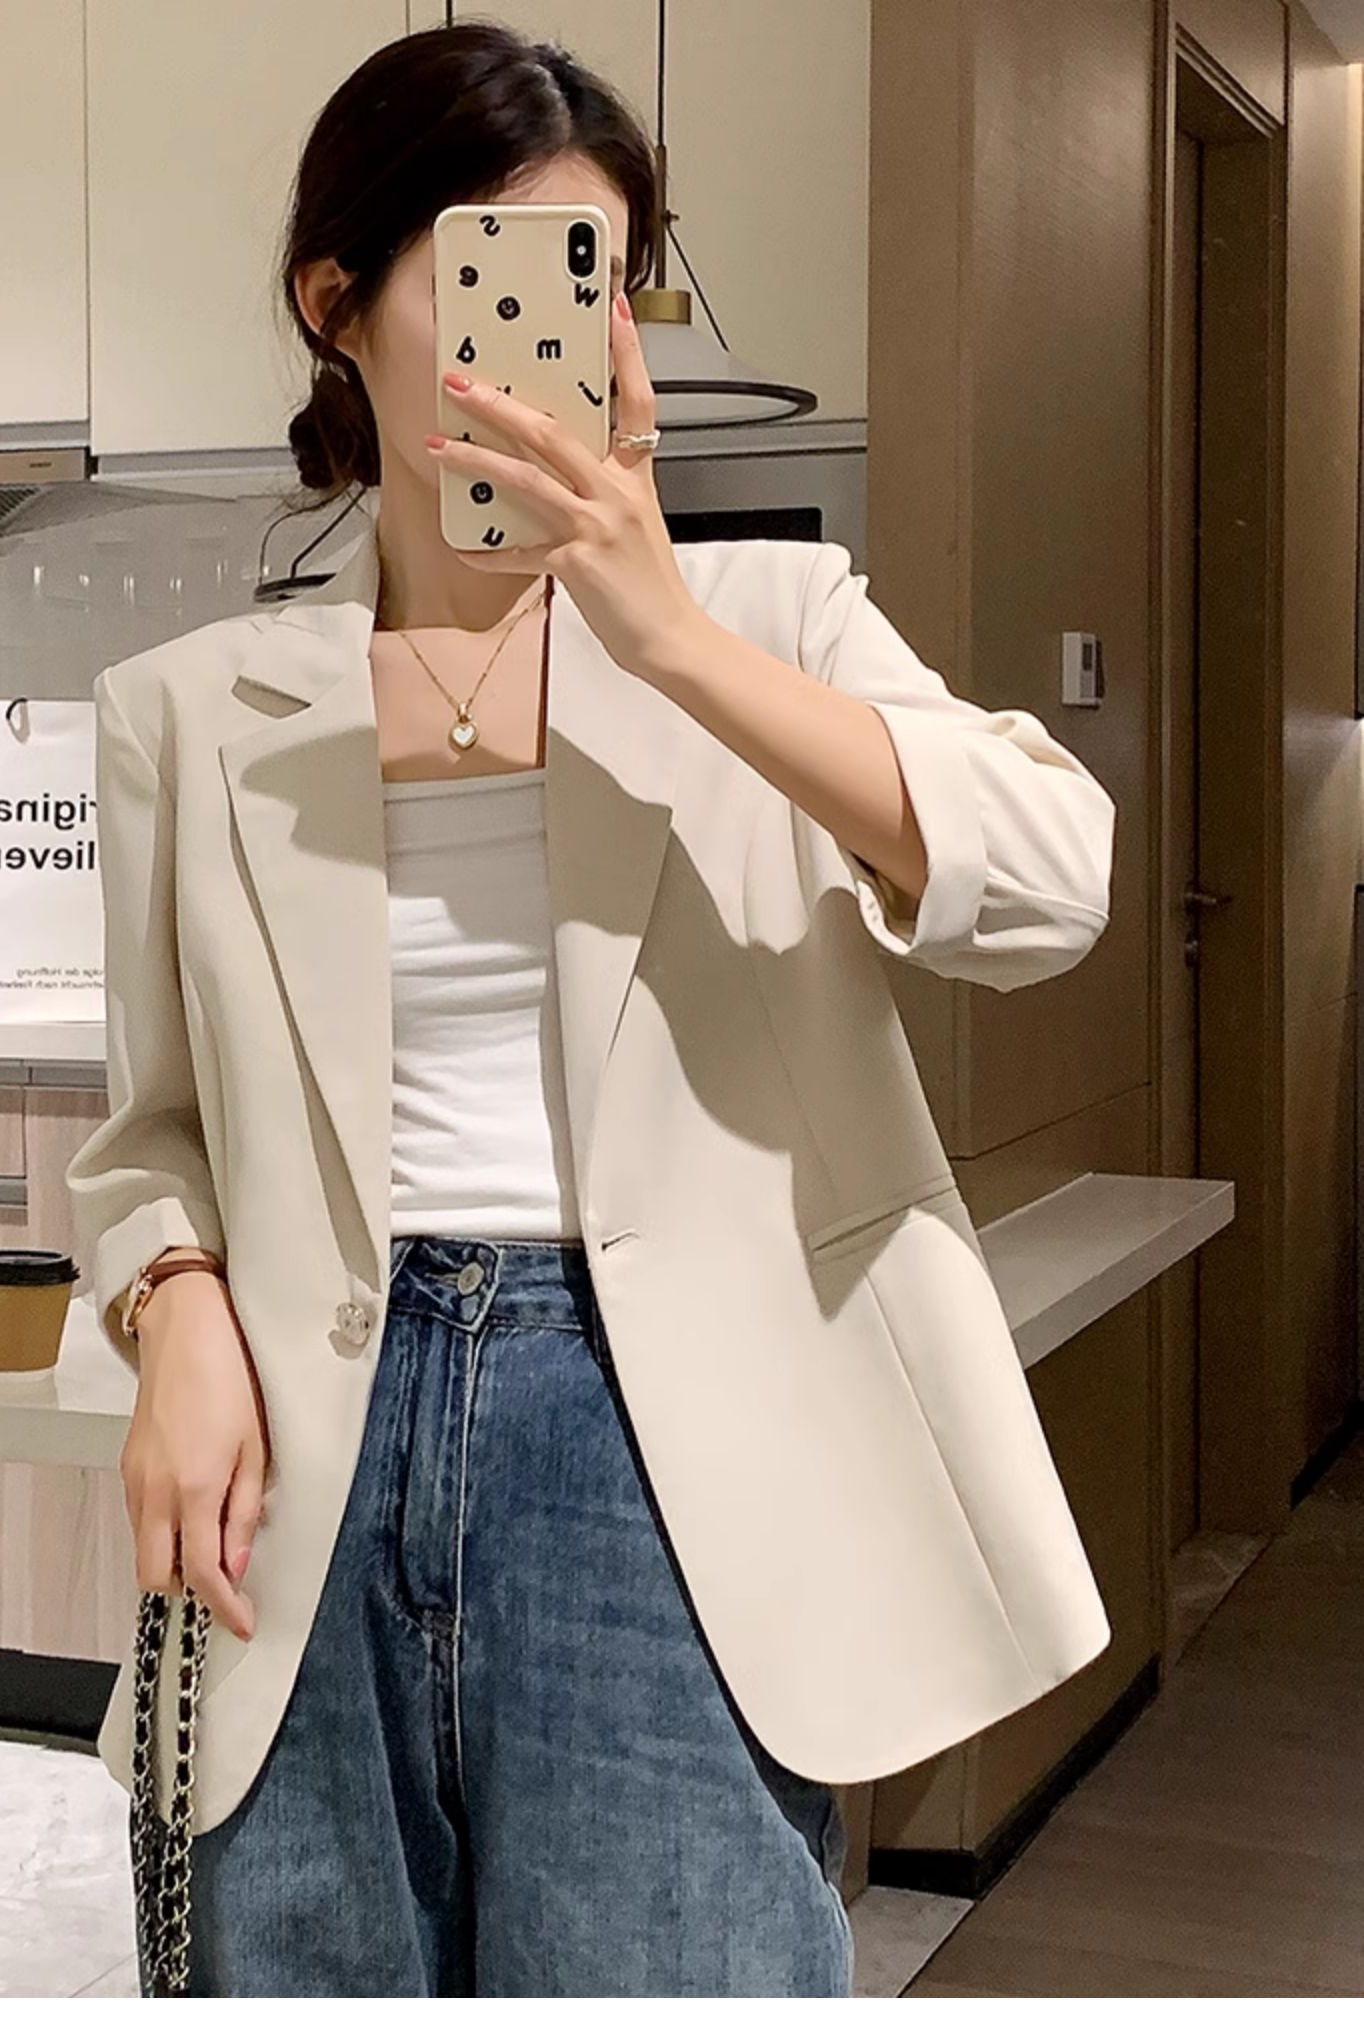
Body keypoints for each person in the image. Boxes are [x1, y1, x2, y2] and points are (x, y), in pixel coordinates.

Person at [71, 16, 1114, 2002]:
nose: (584, 343)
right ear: (337, 307)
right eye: (509, 277)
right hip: (303, 1463)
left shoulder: (774, 627)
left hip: (664, 1449)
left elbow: (1056, 881)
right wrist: (177, 1302)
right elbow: (148, 1140)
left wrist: (671, 636)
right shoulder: (191, 713)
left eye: (605, 282)